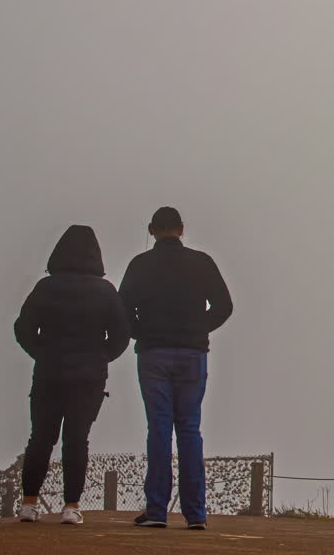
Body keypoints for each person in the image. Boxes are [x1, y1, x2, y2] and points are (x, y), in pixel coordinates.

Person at [119, 207, 232, 530]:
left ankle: (156, 511)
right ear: (181, 230)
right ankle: (196, 514)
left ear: (152, 230)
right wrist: (199, 329)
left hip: (154, 353)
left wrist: (142, 332)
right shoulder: (201, 262)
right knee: (189, 430)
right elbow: (225, 306)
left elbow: (122, 309)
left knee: (159, 429)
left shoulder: (140, 265)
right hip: (193, 354)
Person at [14, 225, 130, 525]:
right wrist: (101, 356)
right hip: (89, 378)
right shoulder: (105, 291)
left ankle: (28, 503)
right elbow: (121, 334)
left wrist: (41, 352)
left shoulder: (46, 287)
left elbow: (23, 328)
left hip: (49, 373)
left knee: (40, 439)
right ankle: (71, 506)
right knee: (77, 440)